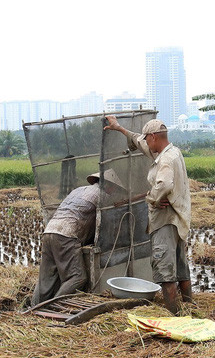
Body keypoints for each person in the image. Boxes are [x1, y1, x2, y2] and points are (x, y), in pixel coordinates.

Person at [103, 116, 191, 313]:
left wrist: (153, 199)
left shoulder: (166, 159)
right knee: (180, 266)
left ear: (154, 137)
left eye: (147, 139)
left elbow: (164, 184)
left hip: (165, 220)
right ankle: (189, 307)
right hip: (177, 220)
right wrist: (120, 129)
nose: (146, 143)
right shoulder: (171, 152)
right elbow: (139, 142)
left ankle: (174, 315)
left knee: (165, 270)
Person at [31, 170, 121, 306]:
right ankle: (53, 307)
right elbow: (110, 219)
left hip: (50, 231)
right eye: (114, 188)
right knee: (77, 277)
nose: (114, 192)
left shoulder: (78, 190)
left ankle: (34, 307)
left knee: (46, 279)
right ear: (109, 185)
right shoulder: (102, 195)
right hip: (67, 234)